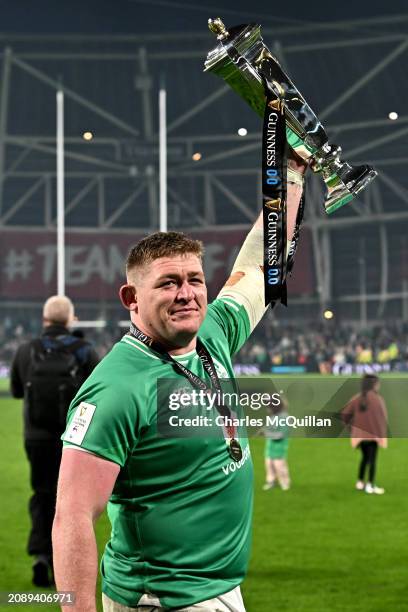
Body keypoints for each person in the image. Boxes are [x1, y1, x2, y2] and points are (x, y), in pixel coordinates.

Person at [52, 158, 307, 612]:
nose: (187, 293)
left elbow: (257, 266)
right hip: (162, 598)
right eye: (168, 283)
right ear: (132, 298)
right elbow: (72, 516)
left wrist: (290, 175)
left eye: (195, 280)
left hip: (218, 586)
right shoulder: (116, 388)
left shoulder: (211, 333)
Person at [10, 296, 99, 587]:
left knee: (42, 495)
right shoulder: (85, 351)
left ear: (44, 320)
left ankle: (41, 557)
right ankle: (67, 570)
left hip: (36, 437)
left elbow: (16, 390)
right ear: (71, 319)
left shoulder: (26, 350)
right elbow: (96, 395)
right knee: (72, 503)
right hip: (72, 438)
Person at [342, 374, 388, 495]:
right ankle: (370, 485)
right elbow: (383, 419)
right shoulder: (378, 399)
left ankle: (360, 482)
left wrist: (352, 430)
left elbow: (344, 415)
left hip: (360, 436)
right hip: (373, 436)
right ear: (374, 384)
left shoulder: (357, 398)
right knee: (372, 460)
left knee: (364, 458)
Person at [262, 399, 290, 491]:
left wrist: (266, 433)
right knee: (269, 465)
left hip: (279, 447)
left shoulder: (285, 418)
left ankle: (284, 482)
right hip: (270, 446)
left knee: (279, 466)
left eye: (269, 407)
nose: (267, 410)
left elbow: (281, 435)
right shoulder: (272, 417)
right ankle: (271, 482)